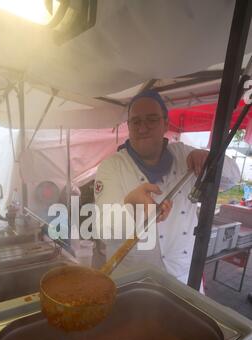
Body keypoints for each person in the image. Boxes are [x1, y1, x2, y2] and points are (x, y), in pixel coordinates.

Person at [94, 90, 240, 287]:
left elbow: (233, 178)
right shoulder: (112, 166)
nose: (143, 127)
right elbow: (104, 230)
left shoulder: (184, 155)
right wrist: (129, 203)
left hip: (182, 274)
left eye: (152, 119)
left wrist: (207, 157)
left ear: (165, 123)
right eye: (136, 122)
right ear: (128, 127)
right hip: (132, 279)